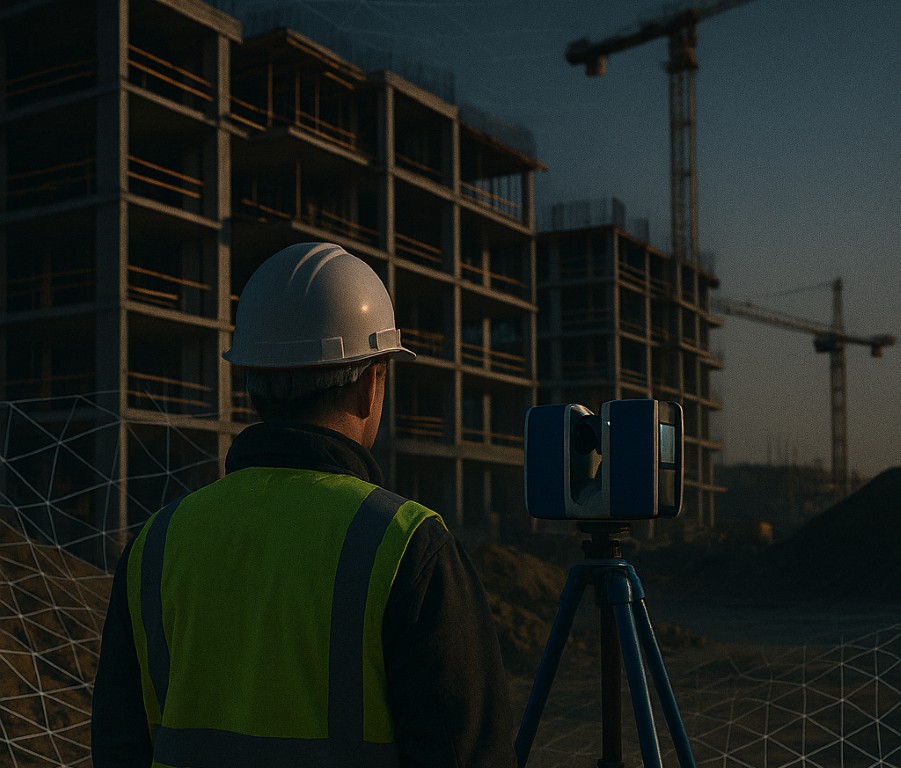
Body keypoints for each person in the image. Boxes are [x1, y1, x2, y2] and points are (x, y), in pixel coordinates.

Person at [92, 242, 517, 767]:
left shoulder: (154, 546)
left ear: (252, 381)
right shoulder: (407, 548)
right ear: (368, 384)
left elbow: (118, 746)